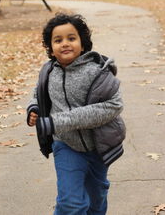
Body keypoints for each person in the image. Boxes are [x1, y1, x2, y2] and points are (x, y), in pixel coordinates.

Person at [27, 13, 126, 215]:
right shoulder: (48, 72)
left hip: (98, 147)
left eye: (71, 38)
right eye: (58, 40)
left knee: (96, 199)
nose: (65, 44)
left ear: (83, 43)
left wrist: (57, 122)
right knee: (71, 203)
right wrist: (34, 107)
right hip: (66, 146)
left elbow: (113, 106)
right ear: (50, 48)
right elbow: (38, 92)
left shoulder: (96, 72)